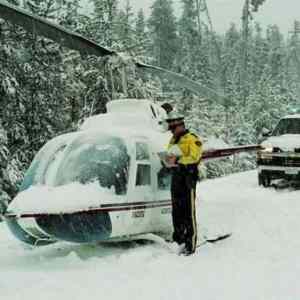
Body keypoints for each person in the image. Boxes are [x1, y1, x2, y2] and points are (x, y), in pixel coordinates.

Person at [165, 111, 203, 255]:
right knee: (176, 210)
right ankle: (178, 239)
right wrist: (167, 161)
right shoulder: (173, 140)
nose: (172, 131)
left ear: (181, 126)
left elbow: (194, 157)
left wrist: (179, 161)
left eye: (173, 128)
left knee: (188, 211)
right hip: (176, 177)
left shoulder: (192, 139)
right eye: (171, 129)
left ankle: (190, 243)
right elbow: (170, 154)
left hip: (188, 177)